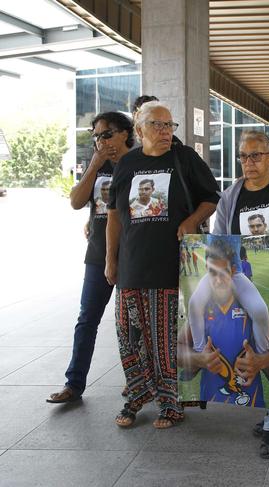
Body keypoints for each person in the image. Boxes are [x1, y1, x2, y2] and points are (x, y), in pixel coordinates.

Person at [105, 100, 219, 429]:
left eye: (169, 126)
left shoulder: (184, 159)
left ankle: (170, 403)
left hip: (171, 266)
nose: (166, 131)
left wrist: (191, 221)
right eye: (157, 125)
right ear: (139, 130)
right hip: (131, 265)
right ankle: (138, 395)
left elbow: (211, 197)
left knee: (165, 339)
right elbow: (114, 214)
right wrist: (110, 259)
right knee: (129, 336)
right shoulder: (127, 165)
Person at [211, 129, 269, 458]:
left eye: (256, 155)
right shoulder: (230, 197)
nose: (249, 162)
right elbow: (218, 242)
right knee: (262, 335)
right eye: (243, 156)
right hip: (244, 276)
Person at [47, 112, 134, 405]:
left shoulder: (138, 163)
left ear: (125, 133)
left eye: (107, 134)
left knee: (131, 324)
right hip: (98, 254)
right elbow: (75, 201)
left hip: (134, 255)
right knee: (87, 319)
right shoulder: (96, 165)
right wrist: (95, 164)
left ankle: (135, 381)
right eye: (96, 136)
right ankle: (74, 384)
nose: (101, 140)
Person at [178, 239, 266, 407]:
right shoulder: (203, 304)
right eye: (213, 273)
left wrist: (262, 360)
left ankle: (262, 353)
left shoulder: (248, 304)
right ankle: (198, 352)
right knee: (193, 304)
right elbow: (177, 349)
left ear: (232, 271)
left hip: (252, 402)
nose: (218, 280)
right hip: (212, 405)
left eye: (223, 273)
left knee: (260, 311)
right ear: (206, 271)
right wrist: (199, 359)